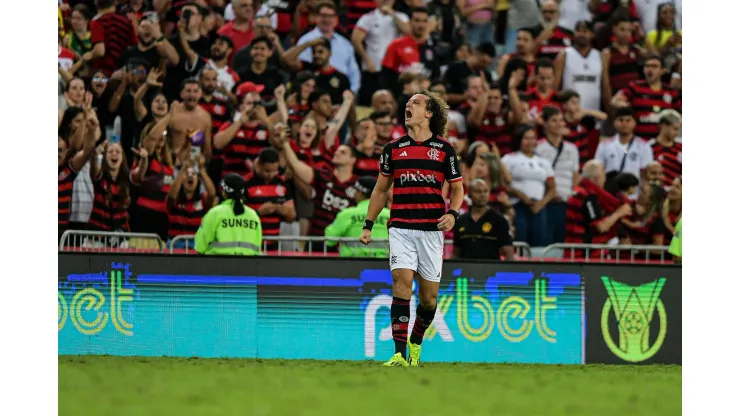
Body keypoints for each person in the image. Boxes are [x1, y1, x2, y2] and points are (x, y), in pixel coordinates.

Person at [360, 90, 464, 367]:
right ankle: (399, 354)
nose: (409, 106)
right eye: (407, 103)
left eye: (415, 103)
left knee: (429, 301)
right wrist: (368, 225)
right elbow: (381, 190)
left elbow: (457, 189)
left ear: (429, 113)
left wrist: (453, 213)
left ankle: (415, 343)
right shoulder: (392, 149)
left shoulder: (444, 150)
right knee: (402, 283)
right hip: (401, 227)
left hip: (431, 230)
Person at [194, 173, 263, 255]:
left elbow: (200, 246)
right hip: (248, 265)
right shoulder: (253, 215)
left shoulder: (214, 213)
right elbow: (257, 248)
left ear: (223, 192)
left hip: (217, 265)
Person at [324, 176, 391, 257]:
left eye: (356, 190)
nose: (354, 193)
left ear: (360, 192)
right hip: (384, 266)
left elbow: (329, 239)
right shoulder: (390, 214)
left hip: (352, 265)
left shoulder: (347, 214)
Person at [453, 178, 515, 260]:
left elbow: (509, 253)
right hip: (466, 271)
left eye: (485, 191)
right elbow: (456, 253)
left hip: (490, 270)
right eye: (478, 191)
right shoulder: (461, 221)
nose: (482, 194)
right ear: (469, 194)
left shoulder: (499, 220)